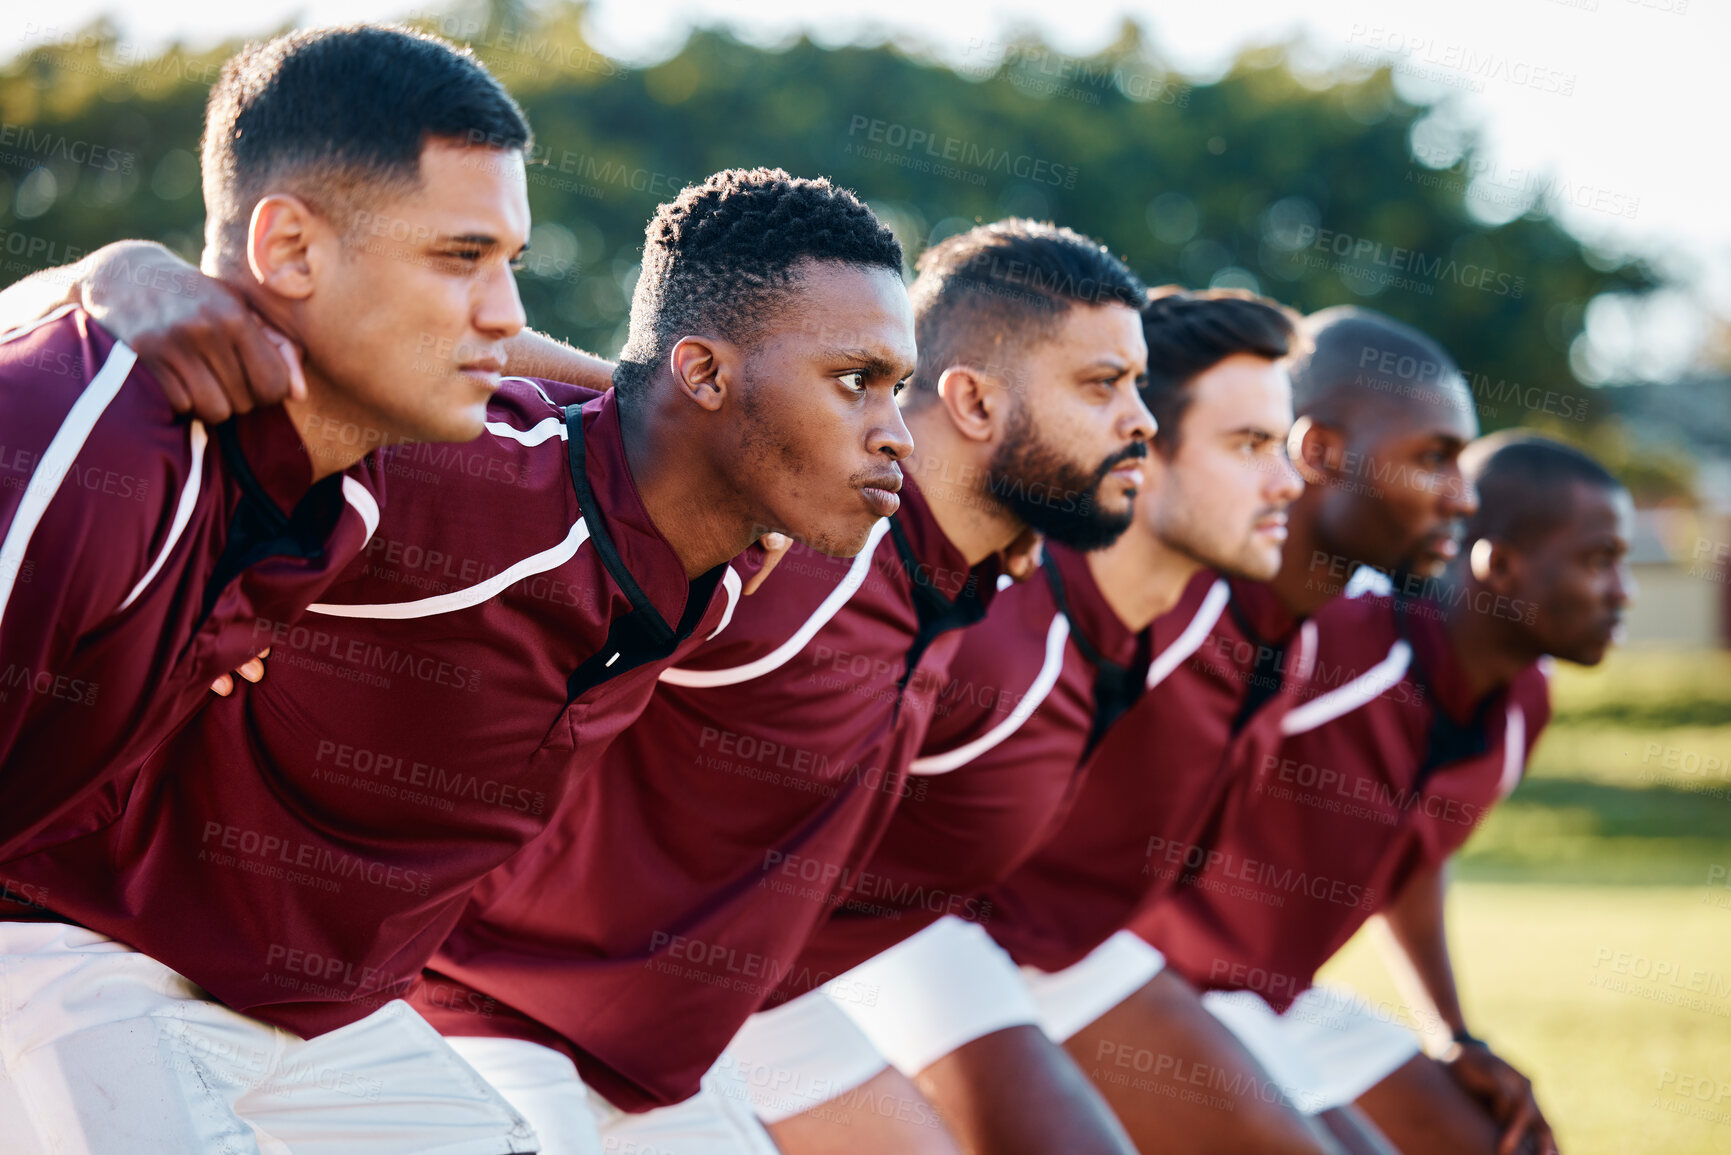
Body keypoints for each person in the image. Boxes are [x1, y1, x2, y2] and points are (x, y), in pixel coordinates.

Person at [0, 156, 918, 1153]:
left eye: (897, 387)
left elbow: (607, 404)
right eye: (856, 382)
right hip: (79, 945)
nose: (897, 434)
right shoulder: (456, 477)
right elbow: (156, 347)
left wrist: (651, 392)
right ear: (704, 374)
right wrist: (115, 268)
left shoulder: (740, 558)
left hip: (318, 1019)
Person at [410, 220, 1157, 1154]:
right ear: (968, 400)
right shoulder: (791, 543)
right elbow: (424, 358)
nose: (1141, 420)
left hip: (666, 1062)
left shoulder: (962, 582)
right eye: (1103, 384)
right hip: (483, 1014)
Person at [786, 306, 1484, 1155]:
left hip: (1076, 946)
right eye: (1251, 444)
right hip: (924, 932)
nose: (1462, 494)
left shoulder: (1297, 630)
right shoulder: (1061, 598)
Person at [729, 288, 1307, 1155]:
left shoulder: (1178, 623)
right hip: (752, 971)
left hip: (992, 946)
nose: (1286, 481)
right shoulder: (981, 617)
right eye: (1249, 444)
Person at [0, 22, 531, 866]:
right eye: (460, 256)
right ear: (287, 249)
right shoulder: (86, 450)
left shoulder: (342, 474)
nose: (507, 314)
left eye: (510, 261)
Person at [1134, 434, 1629, 1155]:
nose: (1624, 590)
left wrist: (1451, 1032)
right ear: (1497, 564)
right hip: (1161, 983)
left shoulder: (1524, 702)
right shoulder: (1341, 635)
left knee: (1501, 1142)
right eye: (1597, 560)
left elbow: (1414, 853)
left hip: (1280, 999)